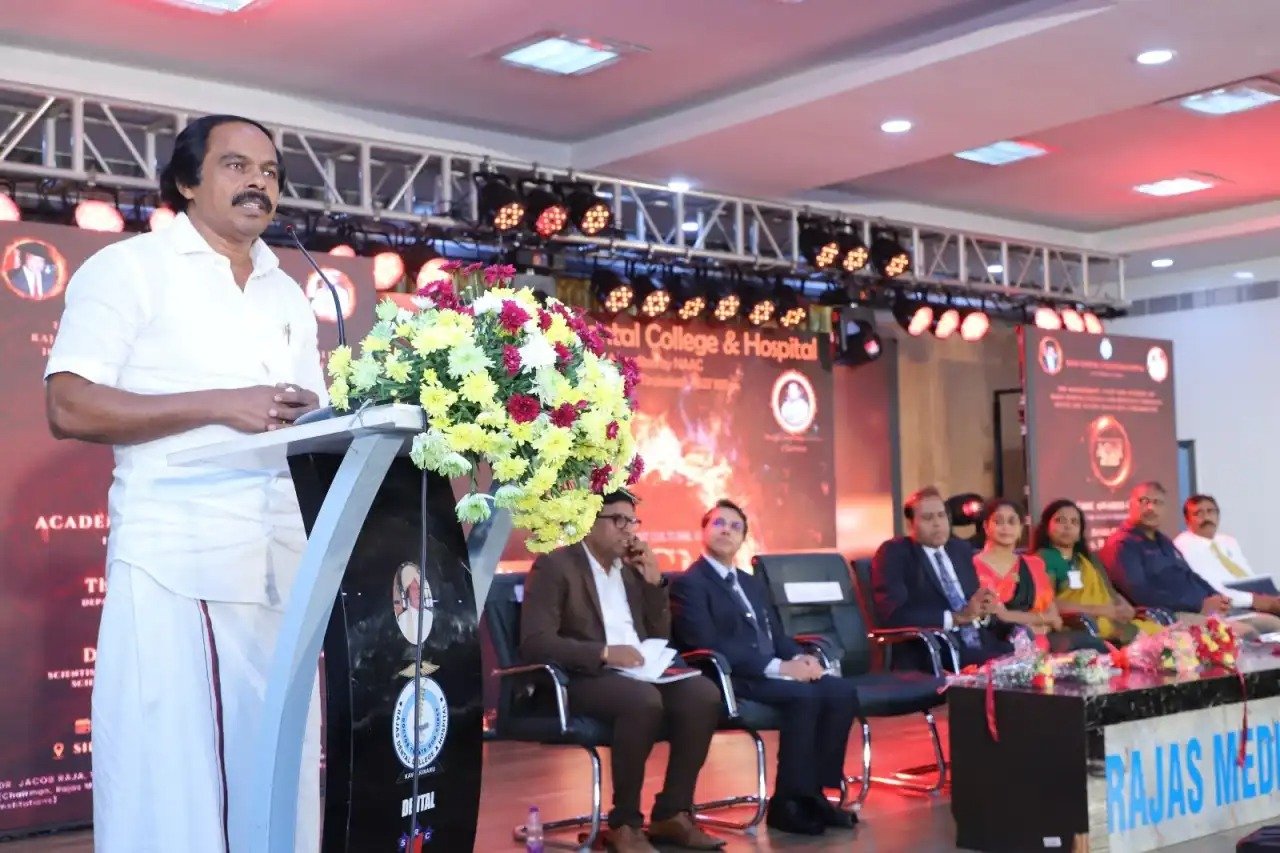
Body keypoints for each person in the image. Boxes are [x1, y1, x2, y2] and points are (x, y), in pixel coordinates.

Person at [44, 114, 326, 852]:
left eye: (270, 171)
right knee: (175, 787)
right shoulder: (131, 268)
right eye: (237, 165)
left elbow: (306, 421)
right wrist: (221, 404)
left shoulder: (287, 291)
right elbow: (68, 405)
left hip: (281, 566)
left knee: (280, 777)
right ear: (186, 182)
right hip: (179, 561)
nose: (258, 182)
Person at [519, 492, 726, 853]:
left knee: (703, 694)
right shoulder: (556, 565)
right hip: (584, 676)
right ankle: (625, 823)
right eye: (618, 520)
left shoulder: (630, 569)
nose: (629, 530)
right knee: (642, 701)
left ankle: (672, 813)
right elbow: (535, 642)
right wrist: (603, 652)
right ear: (589, 522)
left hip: (639, 671)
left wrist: (655, 585)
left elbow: (659, 636)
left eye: (633, 522)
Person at [670, 500, 860, 837]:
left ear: (743, 538)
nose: (726, 531)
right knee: (803, 697)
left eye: (735, 526)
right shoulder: (690, 583)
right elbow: (706, 642)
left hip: (768, 672)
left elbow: (776, 636)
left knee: (840, 690)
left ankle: (815, 794)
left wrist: (803, 659)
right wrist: (779, 667)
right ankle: (787, 803)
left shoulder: (751, 583)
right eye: (718, 523)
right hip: (729, 678)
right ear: (703, 531)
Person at [1099, 482, 1268, 636]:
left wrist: (1217, 597)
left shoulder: (1163, 541)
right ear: (1130, 505)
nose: (1151, 508)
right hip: (1167, 616)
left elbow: (1189, 575)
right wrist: (1198, 604)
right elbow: (1141, 594)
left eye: (1157, 502)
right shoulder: (1122, 544)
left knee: (1272, 624)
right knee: (1245, 633)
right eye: (1144, 501)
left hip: (1198, 610)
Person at [871, 486, 1010, 669]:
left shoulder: (960, 550)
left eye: (941, 516)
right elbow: (894, 616)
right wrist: (955, 617)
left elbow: (972, 604)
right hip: (935, 649)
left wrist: (984, 610)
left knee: (1024, 655)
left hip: (979, 643)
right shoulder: (895, 553)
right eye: (928, 518)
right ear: (911, 524)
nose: (937, 523)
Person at [972, 499, 1107, 653]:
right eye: (998, 522)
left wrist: (1010, 616)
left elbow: (1054, 617)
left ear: (1021, 528)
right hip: (996, 644)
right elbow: (992, 617)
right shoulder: (973, 566)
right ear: (986, 526)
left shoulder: (1034, 564)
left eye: (1012, 522)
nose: (1006, 527)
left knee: (1095, 647)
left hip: (1042, 641)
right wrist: (1036, 622)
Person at [1032, 499, 1159, 646]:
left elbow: (1110, 593)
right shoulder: (1043, 559)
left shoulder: (1087, 559)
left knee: (1159, 632)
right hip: (1076, 627)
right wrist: (1098, 610)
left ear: (1080, 533)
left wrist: (1126, 608)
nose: (1067, 526)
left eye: (1074, 522)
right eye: (1060, 520)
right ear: (1046, 527)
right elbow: (1047, 604)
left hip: (1110, 622)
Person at [1173, 495, 1280, 633]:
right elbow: (1212, 590)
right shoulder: (1184, 545)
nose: (1206, 517)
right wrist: (1256, 601)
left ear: (1218, 515)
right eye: (1198, 513)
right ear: (1187, 520)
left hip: (1254, 601)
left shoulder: (1228, 541)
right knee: (1274, 625)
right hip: (1229, 608)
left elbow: (1246, 577)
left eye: (1210, 511)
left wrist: (1269, 597)